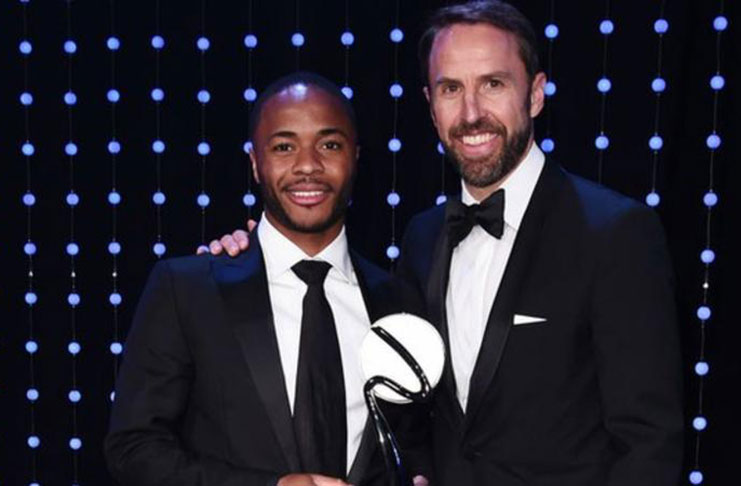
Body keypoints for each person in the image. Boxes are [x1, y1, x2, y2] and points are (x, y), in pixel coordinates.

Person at [208, 2, 684, 485]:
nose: (471, 112)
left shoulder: (615, 232)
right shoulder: (423, 236)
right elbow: (415, 411)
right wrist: (259, 255)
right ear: (431, 107)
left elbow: (649, 443)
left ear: (536, 95)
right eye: (451, 89)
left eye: (493, 84)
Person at [105, 72, 430, 486]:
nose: (308, 165)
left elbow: (415, 444)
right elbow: (133, 448)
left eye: (330, 145)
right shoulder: (187, 289)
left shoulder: (398, 301)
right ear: (255, 163)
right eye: (283, 147)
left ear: (356, 158)